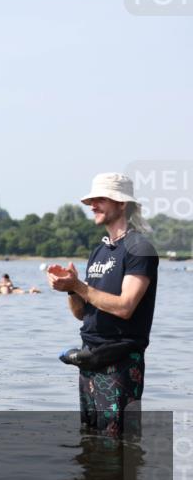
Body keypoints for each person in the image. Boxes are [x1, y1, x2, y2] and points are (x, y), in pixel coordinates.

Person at [48, 173, 158, 437]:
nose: (92, 205)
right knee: (91, 440)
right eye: (91, 200)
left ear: (122, 204)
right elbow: (81, 314)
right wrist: (70, 289)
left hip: (120, 362)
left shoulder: (139, 247)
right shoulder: (99, 251)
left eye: (101, 199)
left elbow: (125, 307)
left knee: (118, 442)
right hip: (89, 358)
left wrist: (79, 287)